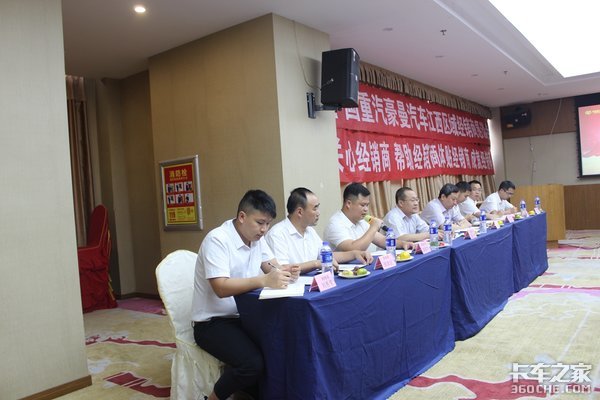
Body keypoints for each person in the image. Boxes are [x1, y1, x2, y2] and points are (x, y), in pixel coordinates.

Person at [191, 189, 298, 400]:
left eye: (268, 224)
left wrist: (286, 272)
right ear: (242, 217)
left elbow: (271, 266)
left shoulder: (257, 238)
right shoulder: (218, 240)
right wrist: (263, 280)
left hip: (244, 315)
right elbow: (221, 287)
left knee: (279, 345)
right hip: (212, 322)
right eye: (260, 223)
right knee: (252, 364)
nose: (264, 229)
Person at [266, 187, 372, 273]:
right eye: (315, 208)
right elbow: (283, 269)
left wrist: (355, 254)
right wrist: (315, 264)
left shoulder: (310, 231)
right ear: (300, 212)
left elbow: (327, 256)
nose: (318, 213)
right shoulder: (277, 234)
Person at [323, 182, 411, 252]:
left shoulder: (360, 220)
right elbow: (353, 249)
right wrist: (374, 227)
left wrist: (403, 244)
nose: (366, 209)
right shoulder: (335, 224)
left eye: (367, 205)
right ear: (349, 204)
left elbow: (381, 240)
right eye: (362, 205)